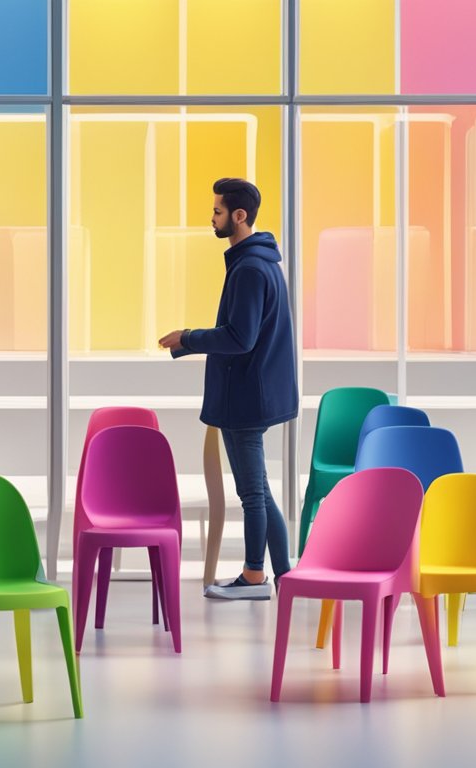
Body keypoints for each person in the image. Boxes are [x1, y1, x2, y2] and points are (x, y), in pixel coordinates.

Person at [159, 177, 298, 600]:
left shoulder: (251, 268)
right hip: (251, 394)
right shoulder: (256, 262)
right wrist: (188, 343)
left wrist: (187, 337)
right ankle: (285, 574)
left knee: (252, 492)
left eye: (218, 211)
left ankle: (255, 577)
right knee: (260, 490)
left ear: (239, 216)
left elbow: (240, 338)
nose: (212, 218)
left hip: (246, 400)